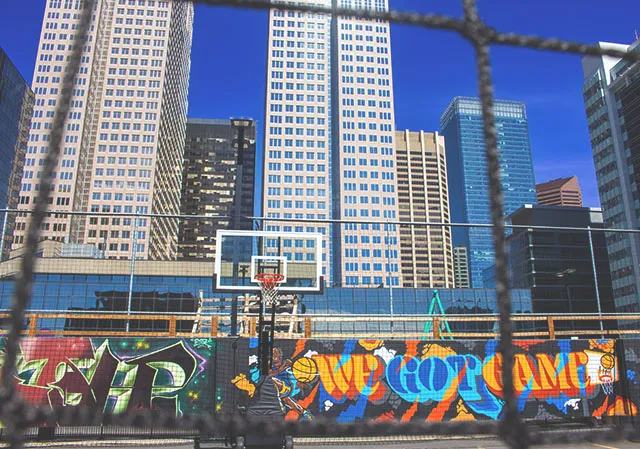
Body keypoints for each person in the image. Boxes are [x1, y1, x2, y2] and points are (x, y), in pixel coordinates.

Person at [268, 348, 313, 421]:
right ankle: (304, 413)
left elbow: (294, 368)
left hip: (287, 386)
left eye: (276, 353)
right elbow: (269, 374)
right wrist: (280, 370)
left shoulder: (286, 363)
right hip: (278, 390)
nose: (273, 355)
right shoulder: (270, 367)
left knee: (272, 381)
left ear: (280, 355)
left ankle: (278, 403)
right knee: (289, 402)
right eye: (272, 353)